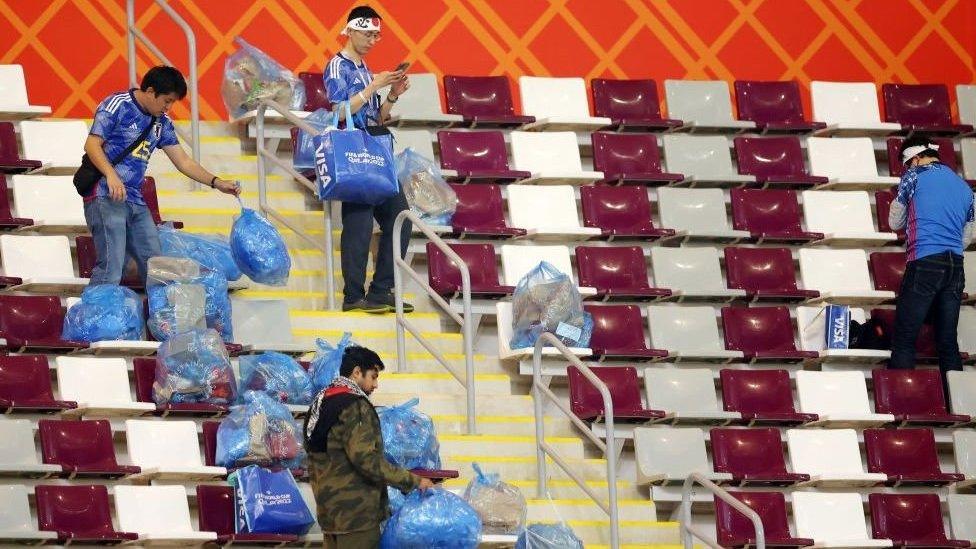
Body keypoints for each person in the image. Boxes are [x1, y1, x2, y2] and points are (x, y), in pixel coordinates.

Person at [83, 65, 240, 286]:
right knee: (112, 266)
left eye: (172, 103)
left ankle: (162, 319)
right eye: (166, 100)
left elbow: (183, 161)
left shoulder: (161, 122)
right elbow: (92, 144)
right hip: (105, 194)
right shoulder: (117, 104)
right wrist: (111, 175)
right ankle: (96, 318)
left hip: (135, 199)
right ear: (149, 91)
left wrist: (217, 182)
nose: (168, 107)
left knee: (156, 267)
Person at [324, 5, 415, 314]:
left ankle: (380, 290)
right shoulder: (337, 66)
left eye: (377, 35)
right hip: (353, 150)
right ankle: (353, 296)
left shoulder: (364, 69)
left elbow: (375, 117)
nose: (373, 40)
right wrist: (374, 86)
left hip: (374, 147)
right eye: (367, 34)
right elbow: (338, 112)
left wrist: (391, 95)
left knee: (401, 218)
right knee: (359, 225)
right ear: (350, 30)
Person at [304, 345, 433, 548]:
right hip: (357, 517)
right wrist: (413, 481)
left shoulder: (320, 403)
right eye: (373, 377)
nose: (376, 385)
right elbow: (367, 461)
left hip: (330, 515)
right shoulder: (355, 405)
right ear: (357, 373)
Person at [887, 135, 974, 384]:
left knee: (905, 338)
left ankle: (901, 403)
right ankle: (958, 406)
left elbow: (895, 221)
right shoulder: (964, 187)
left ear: (915, 158)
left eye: (907, 164)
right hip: (955, 266)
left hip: (925, 261)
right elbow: (967, 236)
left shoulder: (914, 176)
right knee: (947, 342)